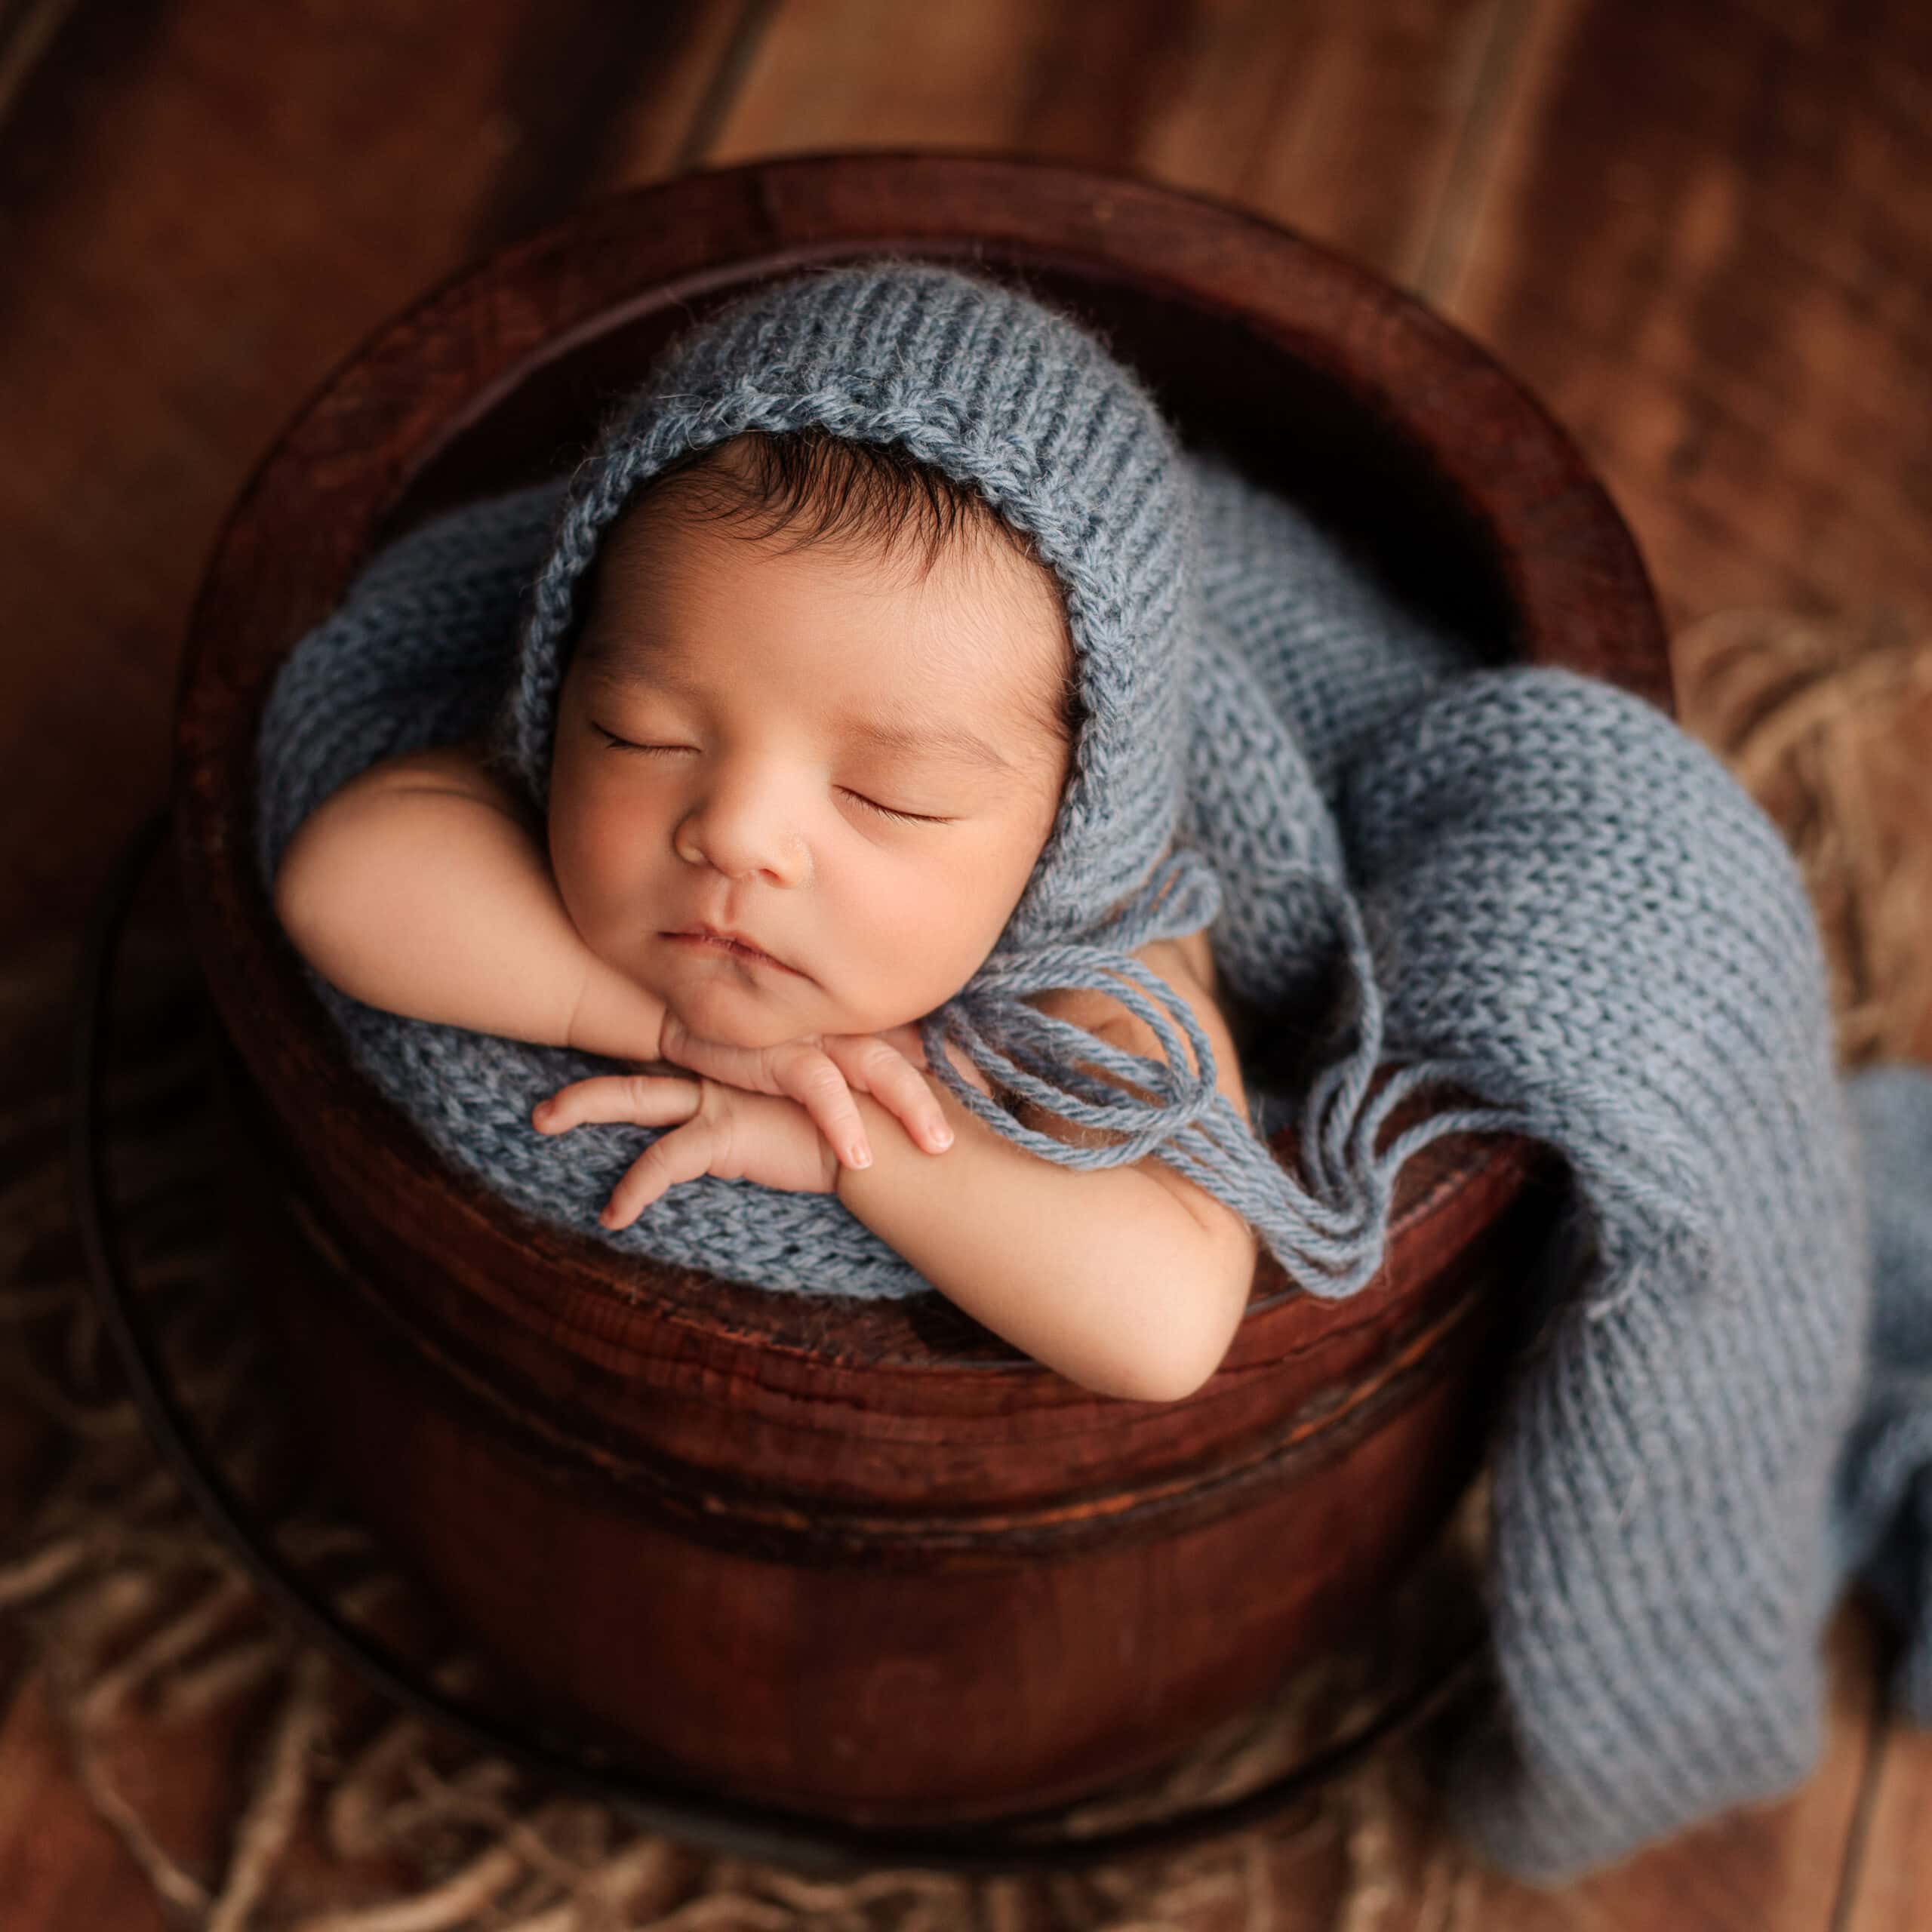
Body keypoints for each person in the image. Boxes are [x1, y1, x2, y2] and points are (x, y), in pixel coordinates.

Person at [270, 423, 1260, 1405]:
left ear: (1063, 834)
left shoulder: (1106, 956)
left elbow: (1165, 1325)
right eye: (642, 735)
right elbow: (342, 884)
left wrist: (848, 1147)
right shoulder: (551, 763)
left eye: (888, 796)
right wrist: (671, 1031)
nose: (735, 832)